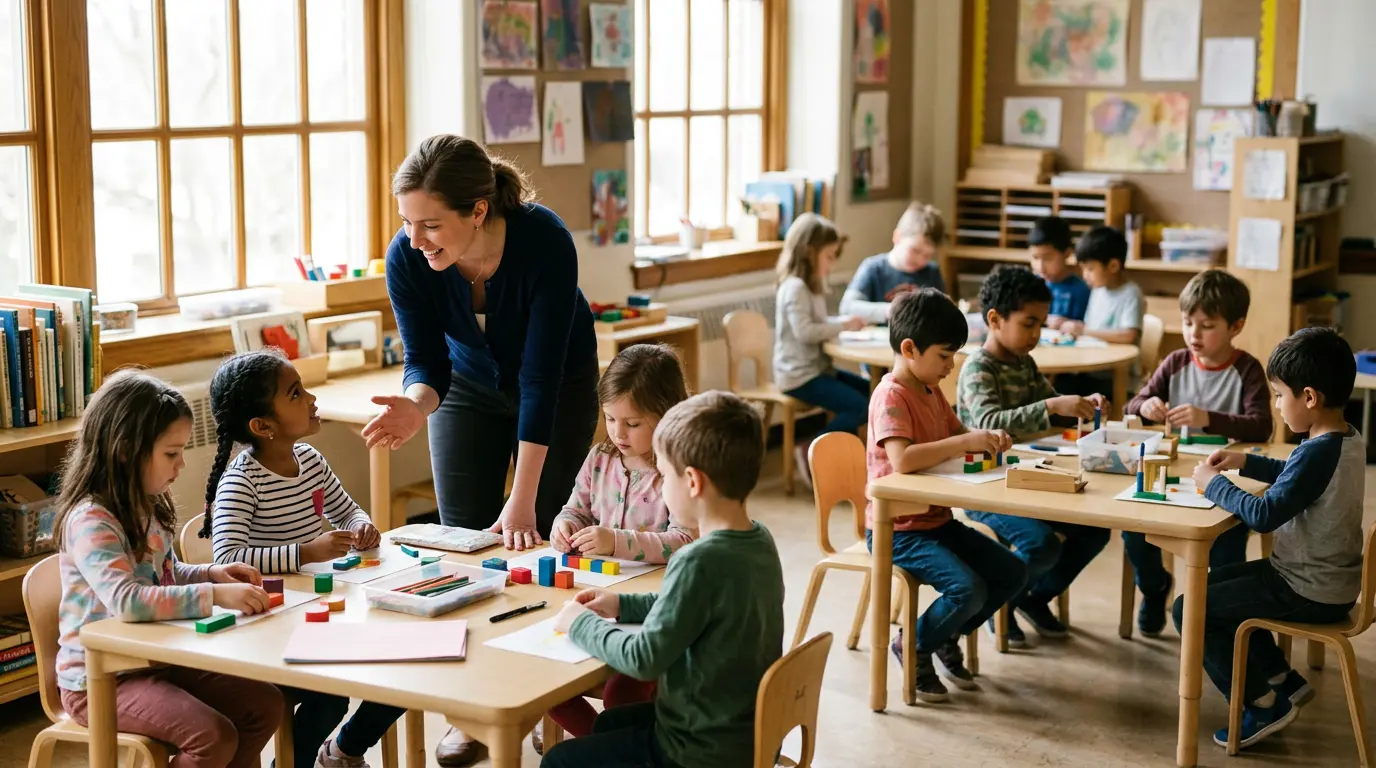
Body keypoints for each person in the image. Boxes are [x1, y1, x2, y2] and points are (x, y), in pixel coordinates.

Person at [362, 135, 600, 764]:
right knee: (462, 548)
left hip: (558, 385)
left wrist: (521, 504)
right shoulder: (407, 257)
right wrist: (418, 403)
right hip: (466, 385)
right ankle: (473, 706)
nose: (415, 239)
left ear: (477, 211)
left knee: (545, 543)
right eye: (407, 223)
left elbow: (540, 380)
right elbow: (425, 359)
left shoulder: (543, 239)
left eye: (430, 224)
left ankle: (532, 698)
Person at [52, 370, 282, 768]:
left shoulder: (148, 504)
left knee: (263, 705)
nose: (181, 464)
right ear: (126, 450)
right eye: (171, 454)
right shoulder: (91, 520)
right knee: (212, 736)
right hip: (101, 679)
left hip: (159, 658)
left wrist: (211, 574)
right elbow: (128, 601)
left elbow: (165, 576)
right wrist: (214, 596)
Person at [541, 391, 784, 768]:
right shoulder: (758, 539)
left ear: (692, 482)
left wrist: (581, 624)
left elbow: (643, 659)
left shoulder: (698, 560)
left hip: (696, 749)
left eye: (665, 474)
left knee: (559, 761)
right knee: (609, 724)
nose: (662, 484)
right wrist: (623, 604)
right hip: (737, 729)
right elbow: (699, 605)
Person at [202, 350, 402, 768]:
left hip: (317, 610)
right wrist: (304, 553)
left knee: (399, 668)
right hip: (268, 626)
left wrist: (362, 525)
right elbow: (228, 556)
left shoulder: (310, 461)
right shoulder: (242, 481)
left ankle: (343, 751)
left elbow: (347, 510)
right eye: (296, 393)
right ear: (263, 427)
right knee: (329, 699)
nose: (312, 399)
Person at [1180, 327, 1363, 751]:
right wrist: (1247, 462)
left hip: (1308, 589)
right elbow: (1297, 481)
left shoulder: (1318, 451)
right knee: (1216, 589)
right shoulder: (1343, 438)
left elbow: (1264, 515)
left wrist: (1213, 485)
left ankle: (1263, 705)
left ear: (1310, 398)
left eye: (1280, 396)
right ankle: (1283, 678)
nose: (1277, 406)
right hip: (1323, 581)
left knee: (1191, 608)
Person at [866, 289, 1028, 701]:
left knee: (1012, 573)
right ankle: (915, 642)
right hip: (899, 529)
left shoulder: (928, 388)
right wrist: (963, 443)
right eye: (943, 355)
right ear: (909, 348)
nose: (950, 365)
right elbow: (902, 460)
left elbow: (956, 434)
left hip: (935, 520)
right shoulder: (891, 395)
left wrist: (986, 439)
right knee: (968, 589)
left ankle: (942, 634)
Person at [537, 344, 697, 752]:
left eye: (633, 422)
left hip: (651, 612)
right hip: (594, 598)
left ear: (667, 416)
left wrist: (615, 540)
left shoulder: (678, 473)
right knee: (548, 681)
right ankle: (609, 748)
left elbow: (685, 540)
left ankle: (615, 750)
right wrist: (565, 524)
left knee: (620, 694)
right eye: (610, 418)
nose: (618, 433)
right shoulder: (599, 460)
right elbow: (575, 507)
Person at [956, 265, 1111, 646]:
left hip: (1026, 478)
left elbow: (1048, 403)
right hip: (984, 485)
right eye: (1029, 323)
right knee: (1041, 544)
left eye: (1041, 323)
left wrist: (1080, 405)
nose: (1037, 334)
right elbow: (990, 422)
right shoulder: (978, 367)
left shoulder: (1023, 363)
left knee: (1094, 531)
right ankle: (1002, 602)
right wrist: (1055, 404)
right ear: (995, 319)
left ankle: (1029, 597)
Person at [1123, 270, 1272, 636]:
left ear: (1235, 326)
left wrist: (1210, 418)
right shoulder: (1175, 362)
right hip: (1175, 475)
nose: (1194, 334)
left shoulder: (1247, 368)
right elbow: (1133, 403)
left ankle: (1219, 618)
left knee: (1226, 542)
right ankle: (1154, 586)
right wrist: (1146, 406)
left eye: (1206, 326)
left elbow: (1261, 426)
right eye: (1188, 323)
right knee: (1133, 529)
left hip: (1225, 482)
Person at [773, 212, 867, 488]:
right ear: (808, 253)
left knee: (872, 395)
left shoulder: (810, 286)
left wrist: (842, 324)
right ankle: (812, 449)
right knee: (860, 407)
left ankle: (844, 459)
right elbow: (805, 331)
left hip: (817, 369)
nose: (831, 263)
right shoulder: (794, 288)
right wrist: (841, 326)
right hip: (799, 375)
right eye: (828, 256)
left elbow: (817, 324)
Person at [839, 201, 948, 323]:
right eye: (915, 251)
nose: (920, 260)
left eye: (928, 255)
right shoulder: (873, 268)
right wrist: (891, 310)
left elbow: (943, 311)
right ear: (897, 237)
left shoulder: (931, 272)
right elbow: (847, 307)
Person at [1027, 217, 1089, 330]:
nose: (1040, 267)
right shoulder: (1028, 286)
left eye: (1048, 258)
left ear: (1067, 253)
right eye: (1035, 257)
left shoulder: (1082, 290)